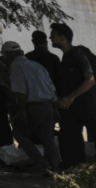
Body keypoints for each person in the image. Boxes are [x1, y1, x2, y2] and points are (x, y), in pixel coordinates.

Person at [49, 22, 96, 177]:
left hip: (88, 107)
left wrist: (71, 97)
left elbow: (90, 80)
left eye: (53, 35)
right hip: (73, 109)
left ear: (63, 38)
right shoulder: (66, 57)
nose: (50, 38)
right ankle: (78, 171)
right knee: (67, 138)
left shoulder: (77, 54)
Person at [2, 41, 60, 174]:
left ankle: (42, 163)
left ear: (8, 55)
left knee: (19, 133)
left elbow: (20, 92)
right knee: (47, 139)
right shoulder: (37, 66)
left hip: (32, 107)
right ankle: (55, 167)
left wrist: (22, 111)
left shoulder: (16, 66)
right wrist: (55, 109)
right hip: (48, 106)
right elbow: (52, 88)